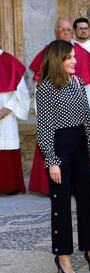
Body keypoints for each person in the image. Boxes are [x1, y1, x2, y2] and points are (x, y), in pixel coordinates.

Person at [36, 40, 90, 273]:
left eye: (74, 57)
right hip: (60, 146)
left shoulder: (77, 82)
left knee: (88, 201)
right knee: (61, 204)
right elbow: (44, 125)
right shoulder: (45, 87)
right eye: (70, 57)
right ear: (58, 59)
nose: (75, 61)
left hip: (80, 147)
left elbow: (87, 117)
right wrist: (52, 160)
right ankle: (63, 256)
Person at [29, 19, 90, 195]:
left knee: (86, 195)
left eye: (69, 30)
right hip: (59, 137)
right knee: (61, 196)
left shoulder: (79, 76)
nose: (67, 33)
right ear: (56, 31)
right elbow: (45, 125)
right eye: (63, 29)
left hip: (81, 139)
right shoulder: (47, 77)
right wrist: (52, 160)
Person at [0, 48, 30, 194]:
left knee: (6, 145)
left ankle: (10, 186)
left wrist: (7, 108)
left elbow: (21, 90)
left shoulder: (8, 60)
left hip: (6, 115)